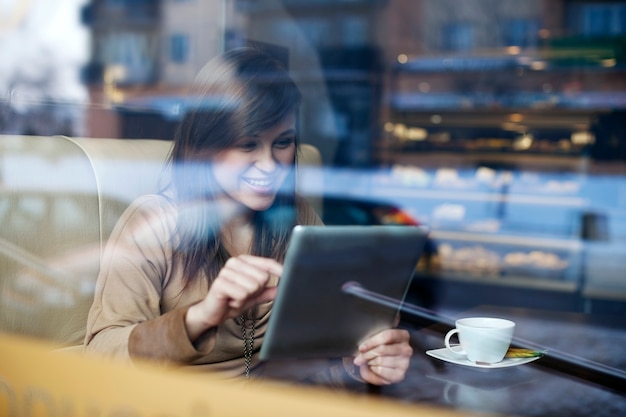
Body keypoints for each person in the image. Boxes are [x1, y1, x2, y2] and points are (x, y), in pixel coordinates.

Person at [84, 47, 412, 386]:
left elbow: (337, 326)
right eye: (247, 145)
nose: (270, 166)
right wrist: (199, 318)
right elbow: (100, 354)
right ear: (205, 144)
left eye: (282, 143)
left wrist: (366, 355)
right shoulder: (154, 222)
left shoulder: (296, 215)